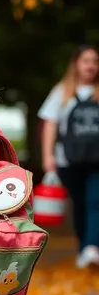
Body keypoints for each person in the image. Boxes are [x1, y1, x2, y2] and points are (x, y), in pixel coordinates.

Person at [38, 45, 99, 268]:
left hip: (96, 161)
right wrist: (48, 157)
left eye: (94, 61)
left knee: (95, 200)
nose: (91, 66)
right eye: (86, 61)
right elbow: (50, 125)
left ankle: (92, 247)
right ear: (76, 64)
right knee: (80, 204)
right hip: (68, 160)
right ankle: (85, 248)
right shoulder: (61, 91)